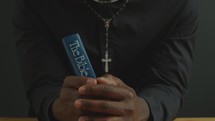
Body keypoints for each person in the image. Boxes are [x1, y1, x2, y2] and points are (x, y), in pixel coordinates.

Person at [12, 0, 198, 120]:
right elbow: (42, 84)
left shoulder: (178, 4)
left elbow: (168, 84)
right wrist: (58, 107)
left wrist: (143, 108)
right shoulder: (33, 4)